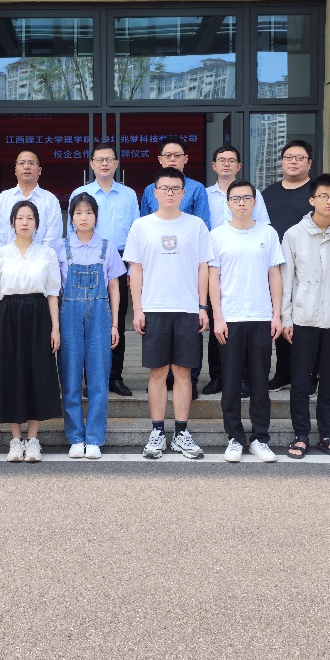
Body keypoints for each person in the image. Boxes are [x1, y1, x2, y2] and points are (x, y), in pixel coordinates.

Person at [124, 167, 213, 460]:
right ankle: (158, 432)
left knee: (184, 373)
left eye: (176, 188)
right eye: (165, 188)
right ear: (155, 193)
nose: (170, 193)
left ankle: (182, 433)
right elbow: (135, 270)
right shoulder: (141, 226)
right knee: (158, 372)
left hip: (187, 308)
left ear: (184, 193)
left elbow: (203, 267)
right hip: (154, 308)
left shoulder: (196, 225)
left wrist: (202, 306)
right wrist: (138, 309)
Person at [280, 173, 330, 460]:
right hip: (303, 319)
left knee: (329, 380)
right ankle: (301, 435)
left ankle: (327, 434)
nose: (329, 201)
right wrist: (286, 318)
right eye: (324, 196)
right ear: (312, 200)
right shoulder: (294, 235)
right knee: (301, 380)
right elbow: (287, 281)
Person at [208, 180, 283, 463]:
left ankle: (260, 438)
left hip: (261, 315)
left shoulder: (268, 233)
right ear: (228, 203)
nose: (241, 203)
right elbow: (213, 278)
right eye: (236, 198)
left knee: (260, 381)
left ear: (254, 202)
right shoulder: (217, 235)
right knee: (230, 381)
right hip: (230, 318)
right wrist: (217, 316)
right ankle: (235, 437)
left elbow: (274, 275)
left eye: (246, 198)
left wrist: (277, 314)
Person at [0, 200, 62, 462]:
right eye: (20, 218)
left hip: (38, 315)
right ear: (12, 222)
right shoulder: (0, 254)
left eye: (30, 218)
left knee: (37, 373)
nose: (25, 222)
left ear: (36, 224)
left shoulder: (46, 253)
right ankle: (15, 440)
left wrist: (55, 328)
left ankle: (33, 440)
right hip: (9, 316)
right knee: (11, 374)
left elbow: (52, 292)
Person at [55, 193, 125, 459]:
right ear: (71, 217)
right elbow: (54, 291)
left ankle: (94, 437)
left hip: (100, 316)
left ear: (96, 216)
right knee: (70, 376)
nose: (83, 218)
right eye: (78, 213)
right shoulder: (61, 248)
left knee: (98, 377)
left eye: (89, 212)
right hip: (69, 315)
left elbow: (115, 288)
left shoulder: (107, 247)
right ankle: (75, 436)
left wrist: (115, 324)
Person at [201, 144, 270, 396]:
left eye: (231, 160)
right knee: (217, 321)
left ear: (239, 166)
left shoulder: (252, 194)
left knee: (243, 328)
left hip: (246, 262)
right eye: (222, 160)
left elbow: (263, 225)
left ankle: (243, 378)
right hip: (215, 261)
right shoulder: (205, 194)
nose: (226, 164)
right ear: (214, 166)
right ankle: (218, 376)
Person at [70, 143, 138, 397]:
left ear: (117, 163)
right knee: (87, 322)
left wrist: (131, 268)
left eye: (109, 159)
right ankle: (90, 379)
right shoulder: (81, 193)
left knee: (116, 318)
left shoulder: (128, 195)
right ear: (92, 164)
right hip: (87, 260)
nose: (105, 163)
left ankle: (115, 377)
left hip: (119, 258)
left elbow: (135, 233)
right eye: (99, 159)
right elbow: (72, 231)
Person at [262, 139, 315, 393]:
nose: (293, 162)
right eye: (288, 158)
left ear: (309, 163)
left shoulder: (317, 192)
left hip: (310, 267)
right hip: (277, 267)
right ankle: (283, 372)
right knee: (282, 317)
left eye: (299, 158)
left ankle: (309, 375)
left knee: (308, 321)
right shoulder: (268, 194)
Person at [0, 147, 63, 251]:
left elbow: (53, 236)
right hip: (8, 259)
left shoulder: (50, 200)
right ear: (15, 170)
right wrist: (5, 258)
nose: (26, 167)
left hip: (42, 259)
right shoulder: (3, 199)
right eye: (22, 163)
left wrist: (42, 258)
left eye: (31, 163)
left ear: (39, 170)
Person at [138, 136, 210, 225]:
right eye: (168, 155)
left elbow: (203, 225)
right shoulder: (149, 189)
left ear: (186, 159)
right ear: (160, 159)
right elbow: (144, 224)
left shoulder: (197, 188)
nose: (172, 159)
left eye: (177, 155)